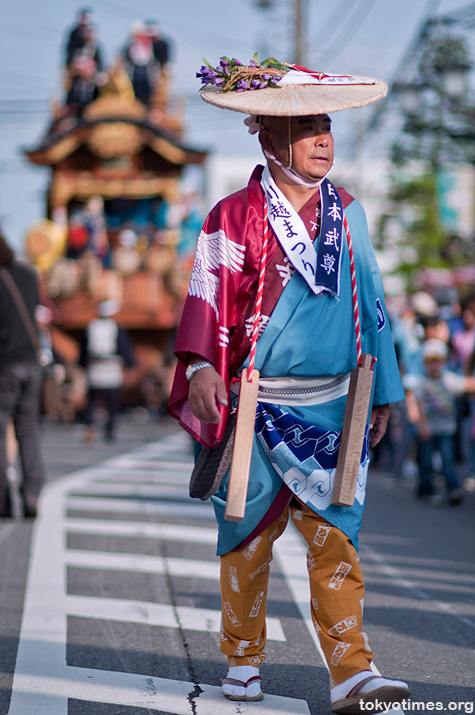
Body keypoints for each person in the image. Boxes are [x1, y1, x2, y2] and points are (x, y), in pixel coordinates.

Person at [169, 57, 411, 712]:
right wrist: (197, 368)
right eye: (307, 128)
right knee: (245, 539)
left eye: (325, 125)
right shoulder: (231, 215)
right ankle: (242, 657)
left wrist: (384, 388)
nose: (323, 140)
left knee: (337, 537)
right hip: (254, 402)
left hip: (335, 403)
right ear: (268, 137)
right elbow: (205, 298)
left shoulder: (351, 214)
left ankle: (351, 670)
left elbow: (375, 306)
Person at [0, 232, 47, 518]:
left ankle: (3, 499)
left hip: (5, 365)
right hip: (32, 362)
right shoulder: (28, 275)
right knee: (28, 430)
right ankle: (31, 494)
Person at [406, 338, 475, 505]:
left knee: (447, 460)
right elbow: (418, 403)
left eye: (437, 362)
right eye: (431, 362)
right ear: (425, 363)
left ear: (443, 362)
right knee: (426, 461)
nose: (434, 365)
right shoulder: (422, 382)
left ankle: (453, 489)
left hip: (446, 429)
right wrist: (421, 425)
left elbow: (467, 384)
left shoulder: (449, 379)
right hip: (428, 428)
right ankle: (425, 488)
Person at [79, 299, 135, 443]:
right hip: (111, 366)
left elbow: (83, 349)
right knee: (111, 401)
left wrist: (82, 364)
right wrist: (129, 365)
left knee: (92, 400)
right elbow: (123, 347)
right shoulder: (115, 327)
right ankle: (109, 430)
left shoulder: (91, 326)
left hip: (96, 365)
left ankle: (89, 426)